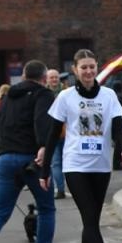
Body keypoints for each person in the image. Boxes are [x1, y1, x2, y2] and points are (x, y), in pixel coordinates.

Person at [41, 49, 122, 243]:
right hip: (75, 164)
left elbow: (119, 126)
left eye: (92, 66)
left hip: (101, 165)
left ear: (97, 67)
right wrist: (45, 169)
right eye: (84, 67)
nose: (89, 71)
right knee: (90, 217)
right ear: (75, 70)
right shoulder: (66, 96)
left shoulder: (109, 95)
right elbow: (52, 134)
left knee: (91, 218)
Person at [0, 59, 62, 243]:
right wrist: (43, 145)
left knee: (0, 212)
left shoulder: (9, 96)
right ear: (44, 79)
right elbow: (40, 121)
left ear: (24, 75)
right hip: (31, 160)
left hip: (6, 158)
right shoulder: (44, 94)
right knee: (46, 209)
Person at [44, 69, 68, 199]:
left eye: (56, 77)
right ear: (46, 79)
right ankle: (60, 189)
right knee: (56, 162)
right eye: (51, 77)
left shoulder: (67, 92)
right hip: (52, 133)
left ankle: (65, 188)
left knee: (67, 162)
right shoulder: (43, 94)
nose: (54, 80)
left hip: (67, 132)